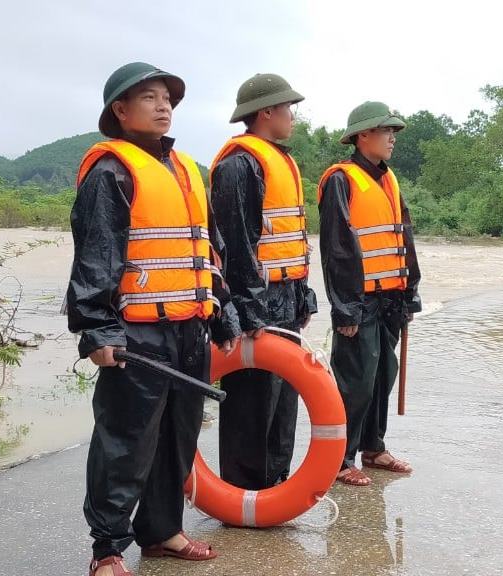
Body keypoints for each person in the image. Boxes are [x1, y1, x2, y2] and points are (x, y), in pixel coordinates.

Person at [67, 62, 241, 576]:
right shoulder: (109, 172)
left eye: (167, 98)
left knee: (177, 436)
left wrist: (222, 311)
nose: (163, 105)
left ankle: (162, 531)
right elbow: (96, 257)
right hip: (137, 334)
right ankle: (107, 549)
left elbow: (209, 253)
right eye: (148, 97)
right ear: (120, 111)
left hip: (189, 326)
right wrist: (97, 328)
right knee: (125, 442)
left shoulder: (188, 170)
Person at [210, 73, 317, 489]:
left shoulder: (282, 161)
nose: (292, 115)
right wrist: (249, 309)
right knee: (252, 403)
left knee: (282, 400)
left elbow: (294, 240)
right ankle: (246, 491)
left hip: (286, 296)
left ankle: (275, 481)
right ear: (266, 112)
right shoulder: (240, 165)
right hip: (258, 300)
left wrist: (303, 295)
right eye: (288, 108)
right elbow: (236, 243)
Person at [317, 101, 421, 487]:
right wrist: (344, 310)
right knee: (355, 379)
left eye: (394, 131)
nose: (392, 137)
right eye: (385, 130)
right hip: (359, 301)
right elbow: (337, 249)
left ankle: (373, 448)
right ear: (363, 136)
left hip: (390, 297)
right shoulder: (341, 180)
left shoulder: (388, 179)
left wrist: (411, 290)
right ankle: (340, 458)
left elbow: (404, 237)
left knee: (382, 373)